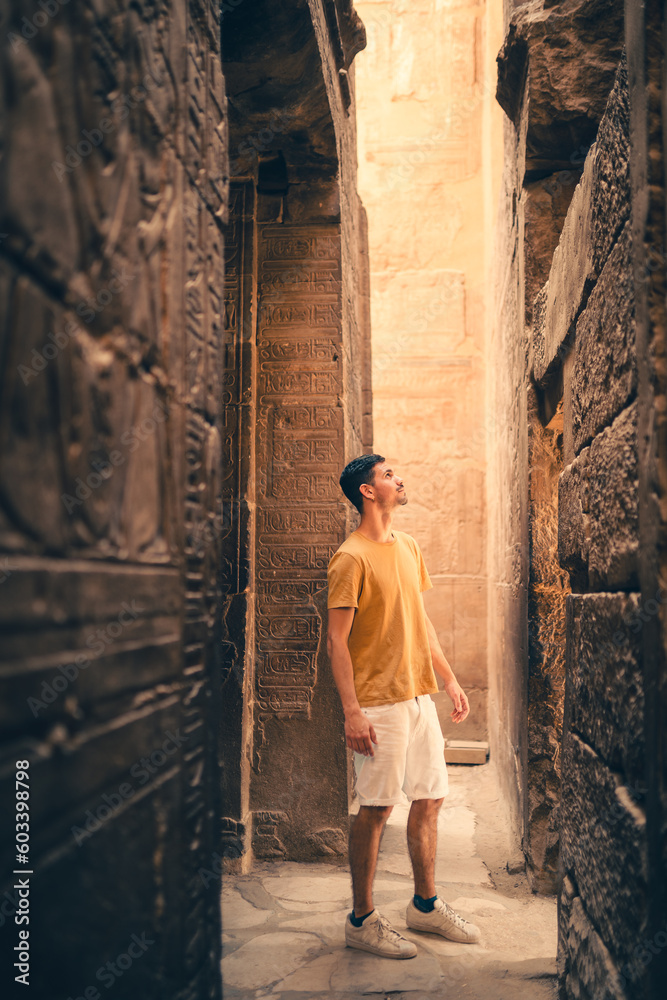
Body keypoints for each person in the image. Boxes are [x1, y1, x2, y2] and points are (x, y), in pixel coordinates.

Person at [326, 454, 481, 959]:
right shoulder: (350, 558)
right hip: (378, 706)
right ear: (368, 493)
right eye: (389, 475)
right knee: (375, 809)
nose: (399, 479)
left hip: (418, 697)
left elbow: (421, 621)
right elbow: (337, 641)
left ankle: (425, 906)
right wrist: (352, 711)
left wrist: (450, 679)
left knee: (430, 797)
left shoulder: (409, 547)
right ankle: (362, 919)